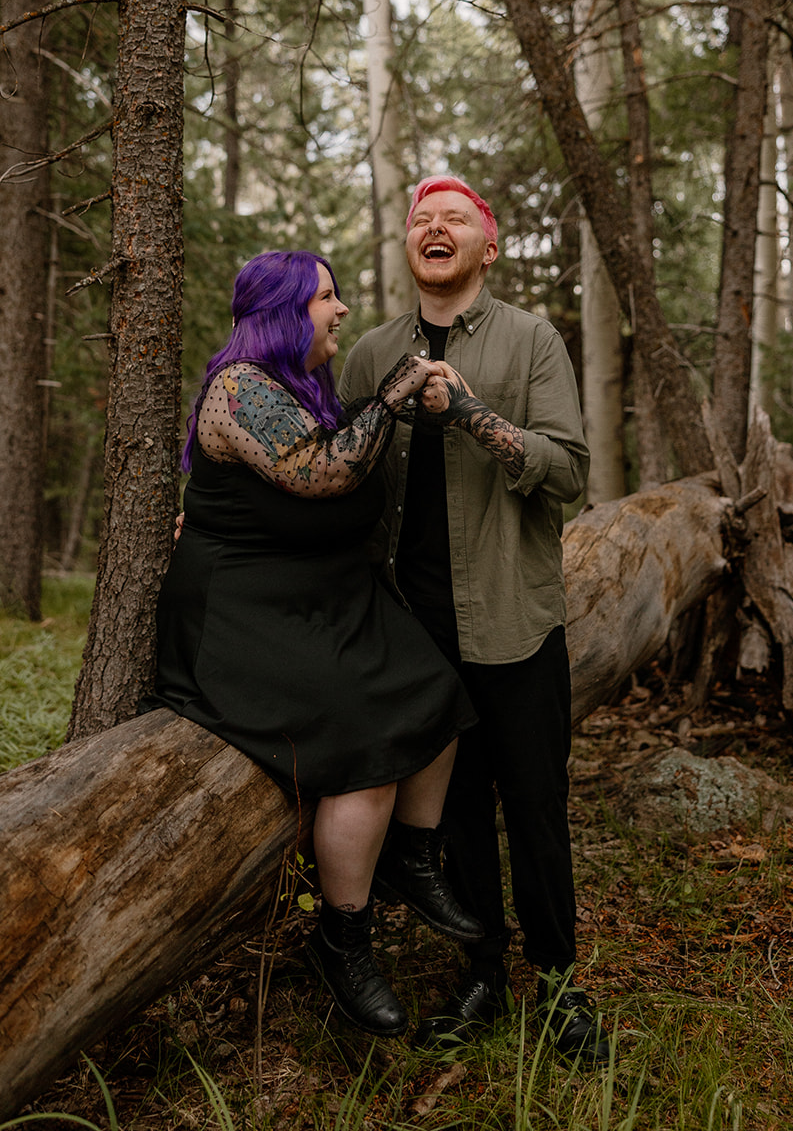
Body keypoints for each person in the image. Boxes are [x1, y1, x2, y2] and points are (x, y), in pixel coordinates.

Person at [148, 250, 484, 1038]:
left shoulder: (299, 385)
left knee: (437, 694)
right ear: (284, 311)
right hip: (242, 612)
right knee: (361, 748)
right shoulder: (239, 390)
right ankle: (343, 940)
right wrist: (396, 391)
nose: (339, 311)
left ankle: (412, 857)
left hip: (316, 597)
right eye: (325, 298)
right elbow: (323, 472)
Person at [339, 177, 609, 1063]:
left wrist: (467, 413)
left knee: (533, 807)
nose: (433, 227)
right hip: (409, 633)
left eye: (453, 218)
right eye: (420, 220)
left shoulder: (532, 340)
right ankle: (482, 971)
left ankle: (560, 983)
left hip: (513, 619)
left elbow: (568, 474)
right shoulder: (370, 351)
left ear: (486, 247)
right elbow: (332, 475)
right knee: (451, 816)